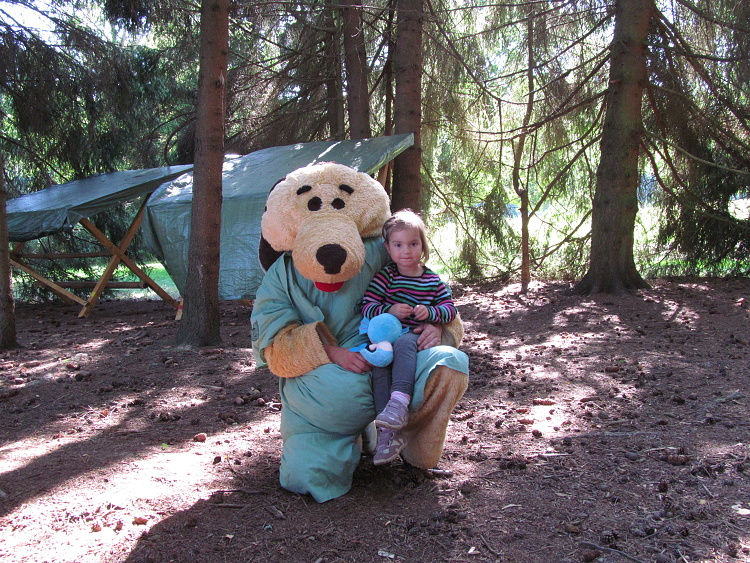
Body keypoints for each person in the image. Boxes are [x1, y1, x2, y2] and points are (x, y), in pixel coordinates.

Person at [362, 209, 458, 465]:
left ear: (423, 246)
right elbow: (367, 306)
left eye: (413, 244)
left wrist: (431, 313)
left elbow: (450, 309)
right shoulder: (386, 277)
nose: (406, 251)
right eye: (398, 245)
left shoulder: (432, 280)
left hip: (413, 338)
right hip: (385, 341)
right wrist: (389, 310)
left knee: (404, 342)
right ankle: (387, 434)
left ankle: (399, 403)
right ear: (388, 248)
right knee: (380, 366)